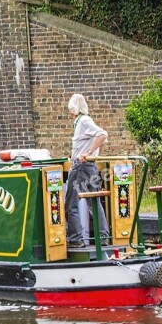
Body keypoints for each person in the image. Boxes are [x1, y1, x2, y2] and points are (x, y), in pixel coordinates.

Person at [65, 94, 109, 248]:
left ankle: (76, 239)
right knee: (94, 202)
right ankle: (103, 237)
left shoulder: (83, 121)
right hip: (89, 167)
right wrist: (95, 155)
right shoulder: (85, 121)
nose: (70, 114)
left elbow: (103, 135)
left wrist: (89, 153)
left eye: (71, 110)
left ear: (74, 110)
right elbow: (102, 140)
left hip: (81, 167)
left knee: (71, 203)